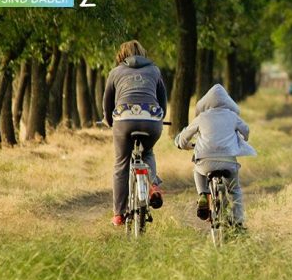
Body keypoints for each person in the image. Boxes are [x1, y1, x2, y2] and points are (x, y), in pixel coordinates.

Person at [103, 40, 167, 226]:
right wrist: (159, 119)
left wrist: (109, 122)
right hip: (152, 119)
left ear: (122, 55)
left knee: (121, 163)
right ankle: (153, 185)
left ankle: (119, 214)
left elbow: (107, 104)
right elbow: (162, 101)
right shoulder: (154, 71)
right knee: (147, 152)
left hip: (124, 119)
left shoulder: (115, 73)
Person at [174, 84, 256, 228]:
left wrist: (181, 144)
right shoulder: (232, 115)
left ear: (205, 103)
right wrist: (242, 137)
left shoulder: (202, 117)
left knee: (197, 171)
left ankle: (203, 195)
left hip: (205, 162)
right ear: (228, 102)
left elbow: (183, 138)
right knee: (234, 190)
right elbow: (246, 131)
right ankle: (238, 221)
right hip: (228, 161)